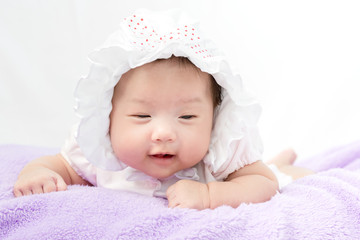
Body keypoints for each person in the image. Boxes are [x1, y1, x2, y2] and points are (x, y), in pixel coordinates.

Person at [13, 9, 312, 209]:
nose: (165, 133)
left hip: (240, 178)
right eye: (143, 116)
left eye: (187, 117)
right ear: (109, 118)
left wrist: (210, 195)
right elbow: (60, 166)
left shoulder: (219, 155)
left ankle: (282, 163)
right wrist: (36, 173)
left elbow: (263, 183)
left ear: (214, 118)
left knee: (280, 174)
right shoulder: (96, 157)